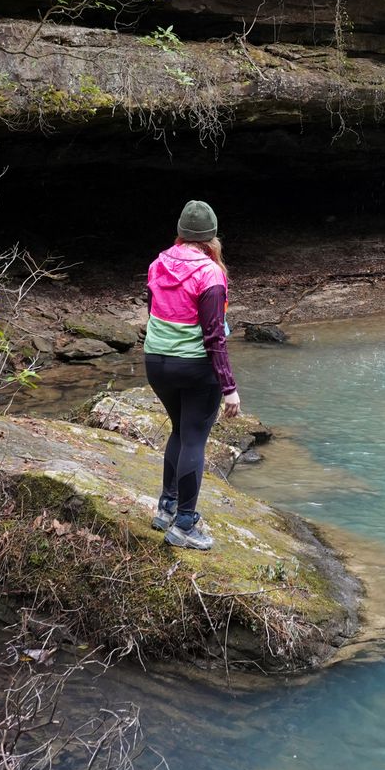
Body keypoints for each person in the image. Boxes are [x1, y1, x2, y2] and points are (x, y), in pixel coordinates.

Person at [143, 198, 242, 551]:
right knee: (195, 438)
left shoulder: (159, 263)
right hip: (195, 367)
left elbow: (153, 309)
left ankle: (166, 508)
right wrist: (229, 388)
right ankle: (185, 524)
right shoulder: (210, 274)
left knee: (180, 431)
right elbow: (214, 335)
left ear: (182, 233)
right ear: (211, 237)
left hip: (156, 362)